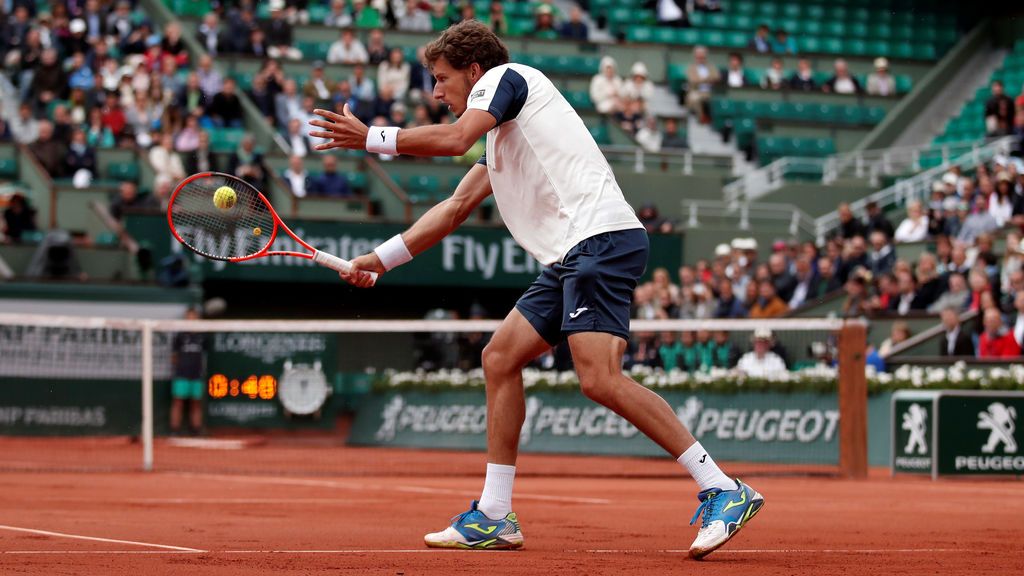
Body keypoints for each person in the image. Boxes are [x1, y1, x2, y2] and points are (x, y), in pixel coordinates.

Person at [307, 20, 763, 558]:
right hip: (569, 256)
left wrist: (372, 137)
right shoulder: (504, 138)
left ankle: (723, 488)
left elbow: (454, 139)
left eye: (441, 78)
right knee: (499, 357)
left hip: (600, 241)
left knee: (599, 379)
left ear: (475, 71)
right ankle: (495, 516)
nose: (435, 92)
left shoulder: (509, 78)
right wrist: (379, 260)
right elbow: (453, 209)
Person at [170, 308, 206, 435]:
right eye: (188, 317)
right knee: (178, 401)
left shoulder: (202, 335)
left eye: (193, 316)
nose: (191, 319)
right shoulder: (180, 335)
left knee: (196, 403)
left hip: (196, 375)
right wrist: (181, 366)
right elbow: (174, 356)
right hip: (181, 374)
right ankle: (174, 430)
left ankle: (196, 430)